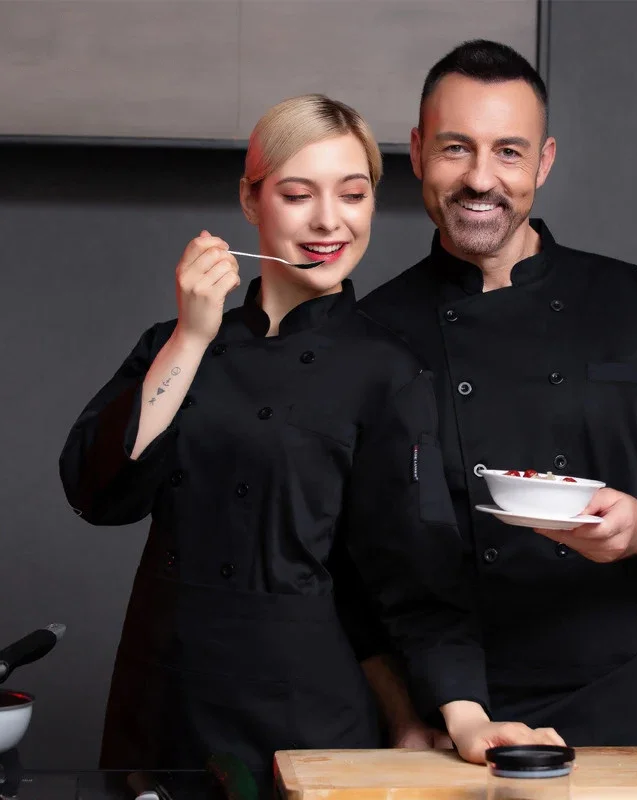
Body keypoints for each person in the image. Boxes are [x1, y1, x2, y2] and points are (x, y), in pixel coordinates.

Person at [59, 94, 565, 779]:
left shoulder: (386, 371)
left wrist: (465, 714)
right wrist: (191, 334)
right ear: (251, 198)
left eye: (352, 195)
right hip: (161, 704)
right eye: (298, 195)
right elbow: (100, 492)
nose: (330, 221)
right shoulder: (173, 346)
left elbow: (414, 572)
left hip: (302, 715)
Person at [359, 40, 637, 748]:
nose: (481, 179)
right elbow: (344, 564)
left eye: (508, 152)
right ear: (418, 153)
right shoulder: (369, 332)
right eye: (456, 149)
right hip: (443, 712)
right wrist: (405, 719)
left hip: (613, 698)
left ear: (543, 162)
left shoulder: (630, 302)